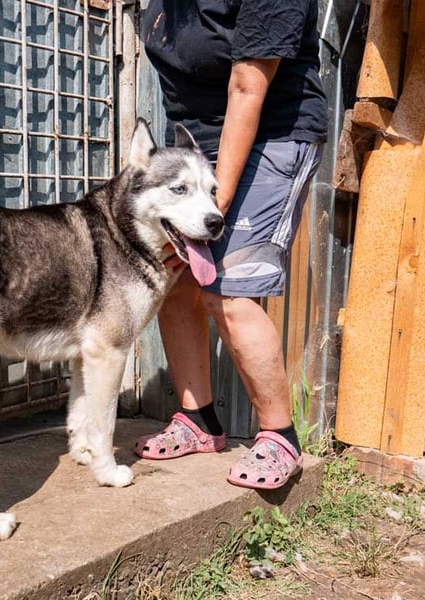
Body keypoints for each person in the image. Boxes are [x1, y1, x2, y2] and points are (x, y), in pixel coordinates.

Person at [133, 0, 328, 490]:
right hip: (198, 143)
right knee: (173, 282)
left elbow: (246, 88)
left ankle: (279, 435)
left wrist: (211, 203)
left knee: (229, 287)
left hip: (272, 133)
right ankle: (198, 420)